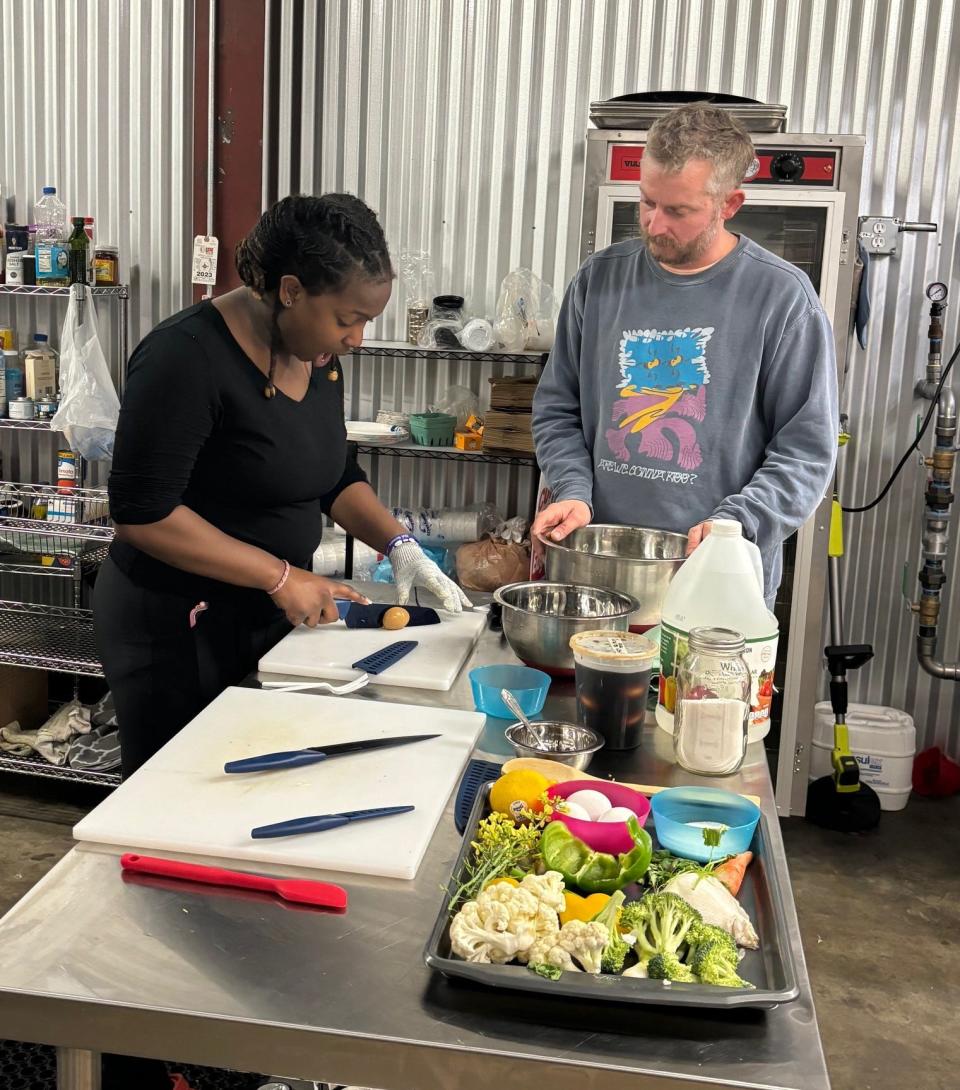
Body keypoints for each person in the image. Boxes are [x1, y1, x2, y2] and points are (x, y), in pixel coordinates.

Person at [94, 193, 470, 778]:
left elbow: (332, 473)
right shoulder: (183, 358)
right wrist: (280, 575)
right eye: (348, 320)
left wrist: (400, 545)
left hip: (269, 618)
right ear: (290, 290)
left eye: (366, 322)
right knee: (185, 792)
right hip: (177, 626)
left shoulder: (315, 354)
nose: (357, 340)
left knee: (261, 782)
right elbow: (142, 512)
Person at [531, 104, 838, 606]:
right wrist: (572, 491)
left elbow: (805, 452)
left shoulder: (782, 298)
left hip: (716, 580)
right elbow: (557, 408)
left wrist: (736, 524)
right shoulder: (599, 280)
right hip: (596, 570)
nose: (654, 224)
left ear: (730, 203)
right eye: (647, 202)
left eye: (677, 211)